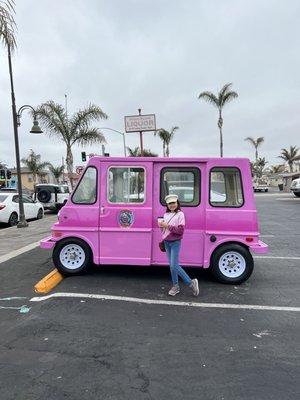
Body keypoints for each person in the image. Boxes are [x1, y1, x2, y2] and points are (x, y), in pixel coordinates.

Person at [158, 194, 199, 297]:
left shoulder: (181, 214)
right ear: (167, 205)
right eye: (170, 203)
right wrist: (162, 227)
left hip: (175, 242)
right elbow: (166, 230)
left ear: (177, 203)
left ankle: (191, 283)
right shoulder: (166, 215)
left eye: (173, 203)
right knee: (172, 266)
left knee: (174, 265)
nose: (172, 205)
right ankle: (175, 286)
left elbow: (180, 231)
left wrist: (167, 226)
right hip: (167, 242)